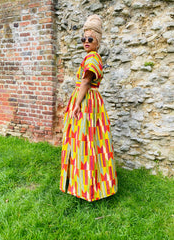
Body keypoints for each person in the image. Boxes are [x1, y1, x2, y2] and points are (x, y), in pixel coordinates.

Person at [60, 15, 118, 202]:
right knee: (89, 141)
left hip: (86, 102)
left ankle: (87, 186)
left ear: (97, 41)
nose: (86, 42)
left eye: (90, 39)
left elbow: (85, 81)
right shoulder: (90, 57)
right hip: (89, 100)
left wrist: (76, 104)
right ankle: (87, 184)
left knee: (85, 141)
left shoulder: (92, 58)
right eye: (83, 39)